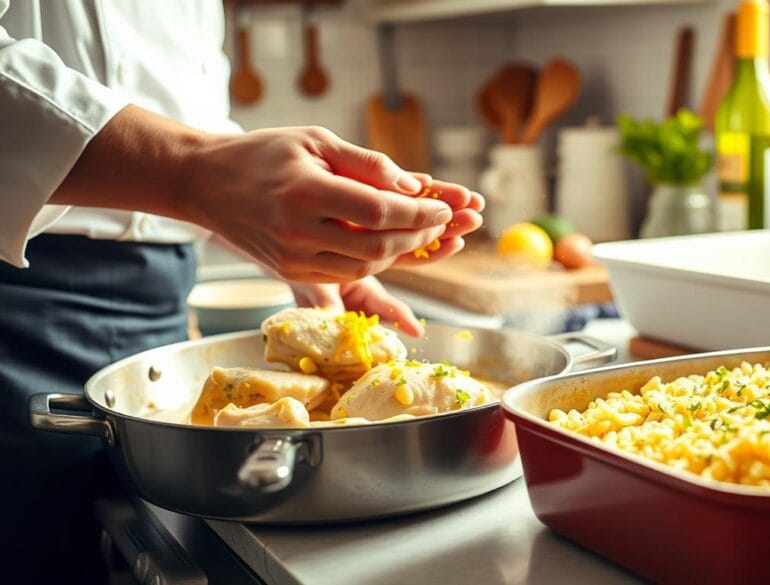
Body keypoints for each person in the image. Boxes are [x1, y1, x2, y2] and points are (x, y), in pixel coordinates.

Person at [0, 1, 484, 580]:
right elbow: (184, 158)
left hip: (158, 313)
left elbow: (185, 122)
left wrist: (305, 241)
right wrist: (196, 172)